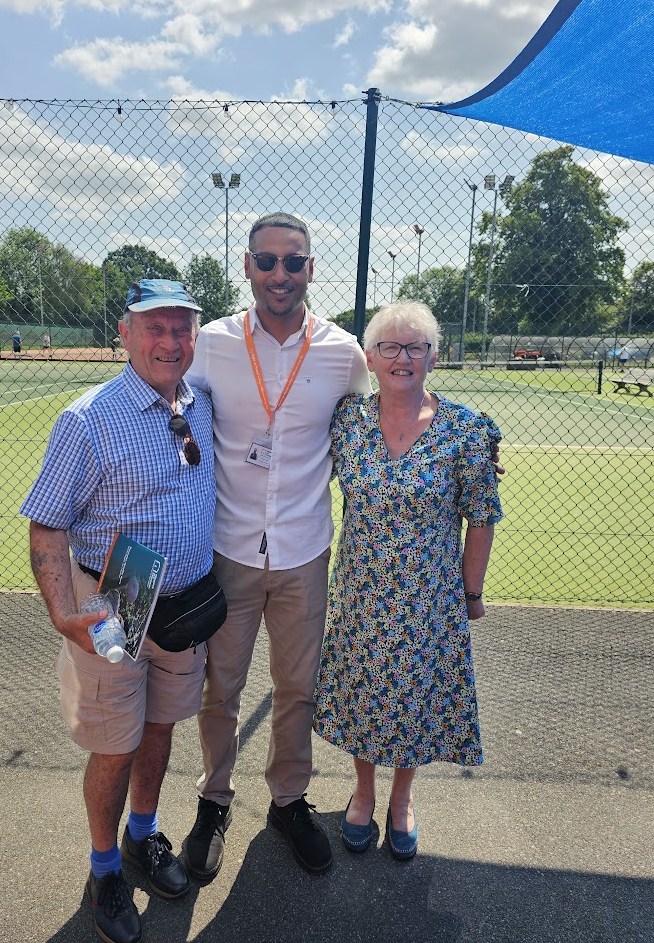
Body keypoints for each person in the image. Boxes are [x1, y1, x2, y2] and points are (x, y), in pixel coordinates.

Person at [20, 280, 215, 943]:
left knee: (159, 726)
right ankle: (104, 869)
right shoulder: (88, 419)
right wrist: (62, 614)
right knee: (114, 743)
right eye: (154, 327)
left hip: (185, 597)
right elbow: (46, 524)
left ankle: (142, 836)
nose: (170, 341)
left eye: (182, 328)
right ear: (125, 334)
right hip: (120, 596)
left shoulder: (199, 402)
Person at [183, 212, 372, 877]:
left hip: (303, 551)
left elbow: (380, 428)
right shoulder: (210, 344)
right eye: (266, 261)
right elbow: (166, 412)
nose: (279, 275)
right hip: (228, 548)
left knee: (297, 688)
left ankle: (287, 799)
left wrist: (462, 453)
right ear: (247, 267)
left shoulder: (344, 353)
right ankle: (213, 798)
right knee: (220, 688)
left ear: (311, 268)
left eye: (293, 262)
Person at [312, 300, 503, 861]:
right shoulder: (346, 421)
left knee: (414, 697)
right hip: (361, 592)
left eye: (416, 347)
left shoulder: (466, 431)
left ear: (433, 358)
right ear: (370, 358)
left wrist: (471, 593)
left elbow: (482, 517)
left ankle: (402, 798)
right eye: (390, 347)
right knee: (364, 691)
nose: (403, 357)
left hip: (427, 598)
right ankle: (363, 792)